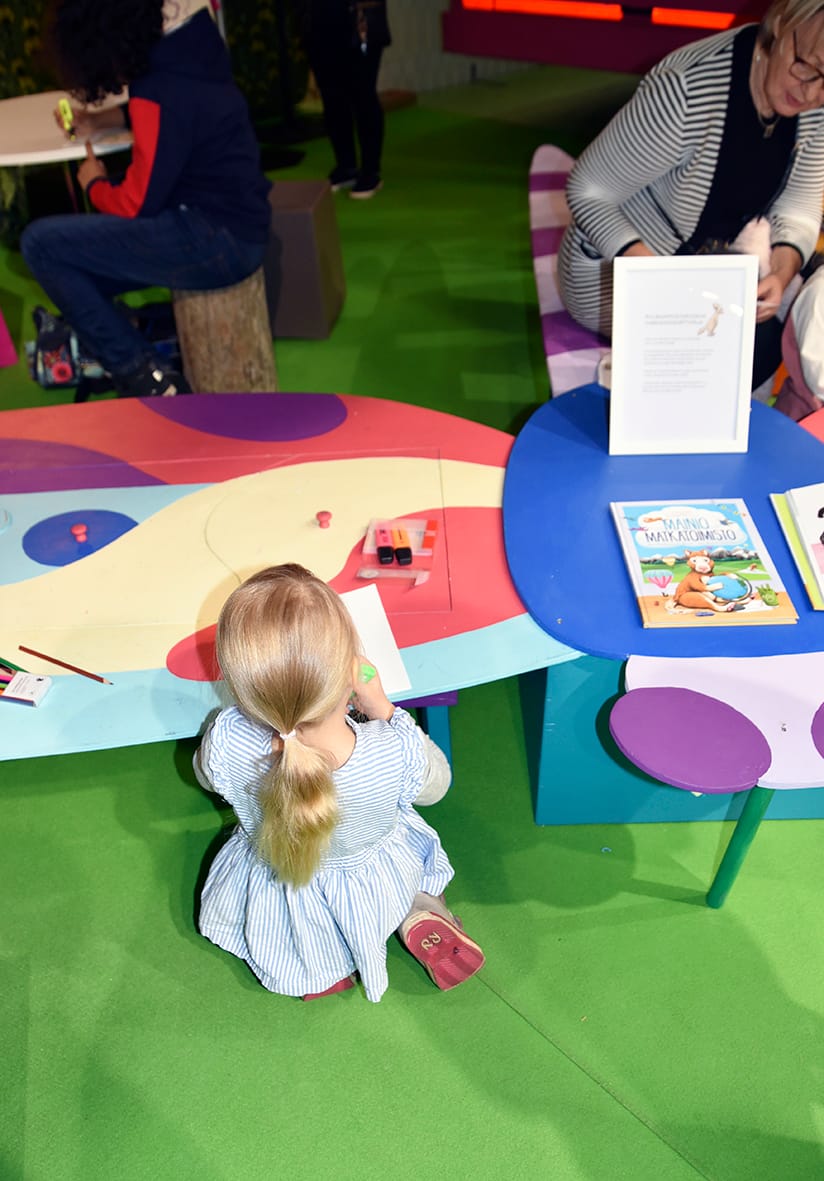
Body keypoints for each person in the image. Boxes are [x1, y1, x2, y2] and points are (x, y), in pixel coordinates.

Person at [193, 564, 485, 1002]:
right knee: (403, 877)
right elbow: (437, 785)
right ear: (349, 673)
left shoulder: (227, 737)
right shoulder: (390, 749)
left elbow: (207, 777)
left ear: (240, 685)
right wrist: (382, 707)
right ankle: (418, 906)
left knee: (300, 940)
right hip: (374, 877)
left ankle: (319, 971)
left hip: (284, 882)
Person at [557, 0, 824, 392]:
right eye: (805, 66)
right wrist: (659, 280)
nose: (812, 92)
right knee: (738, 357)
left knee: (781, 333)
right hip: (610, 270)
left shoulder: (817, 101)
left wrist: (781, 274)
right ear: (781, 23)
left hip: (704, 264)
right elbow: (587, 190)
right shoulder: (686, 87)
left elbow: (799, 206)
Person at [20, 0, 272, 398]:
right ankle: (133, 337)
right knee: (76, 266)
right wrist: (101, 120)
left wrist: (94, 184)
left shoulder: (157, 88)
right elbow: (178, 114)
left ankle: (143, 374)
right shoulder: (193, 42)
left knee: (42, 247)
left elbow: (134, 204)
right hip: (238, 224)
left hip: (213, 240)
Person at [301, 0, 390, 199]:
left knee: (363, 94)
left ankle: (370, 171)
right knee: (331, 97)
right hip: (320, 20)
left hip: (360, 18)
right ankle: (346, 166)